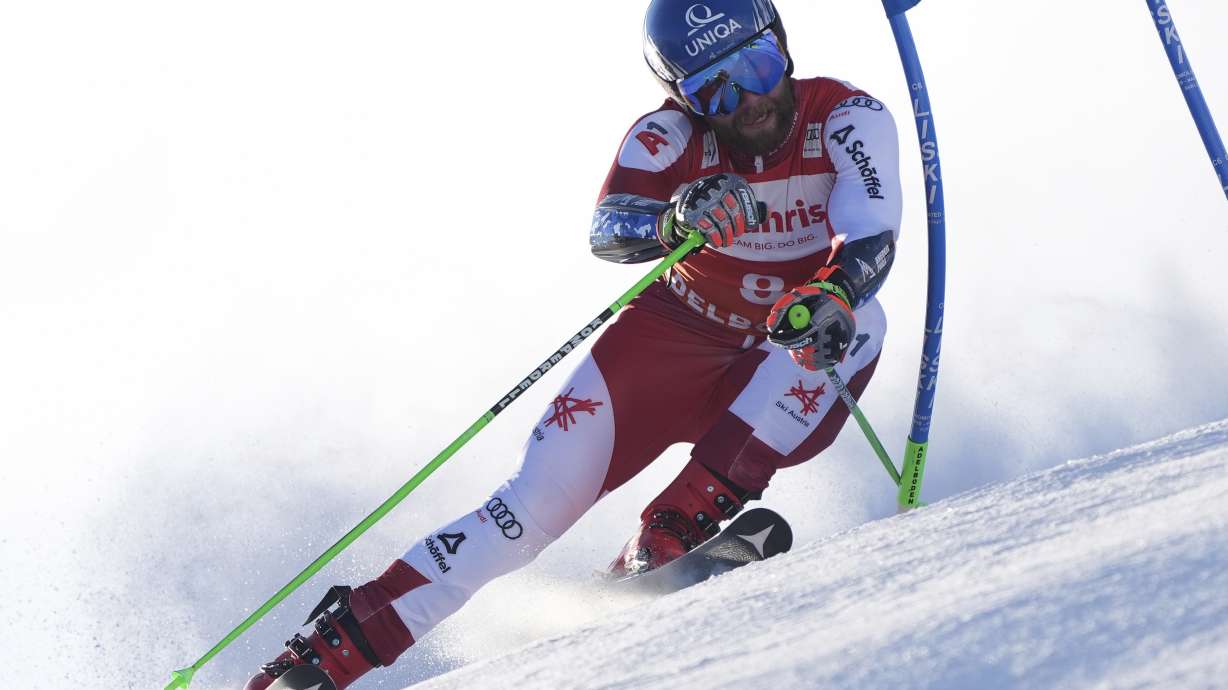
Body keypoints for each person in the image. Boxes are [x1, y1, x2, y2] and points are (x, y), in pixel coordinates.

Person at [243, 0, 901, 687]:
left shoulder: (847, 118)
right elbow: (609, 225)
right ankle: (325, 656)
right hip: (670, 341)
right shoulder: (668, 137)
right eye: (714, 89)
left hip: (783, 348)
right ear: (682, 95)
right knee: (525, 511)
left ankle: (669, 531)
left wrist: (834, 291)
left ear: (783, 46)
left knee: (861, 319)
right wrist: (674, 218)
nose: (747, 101)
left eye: (757, 67)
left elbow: (871, 232)